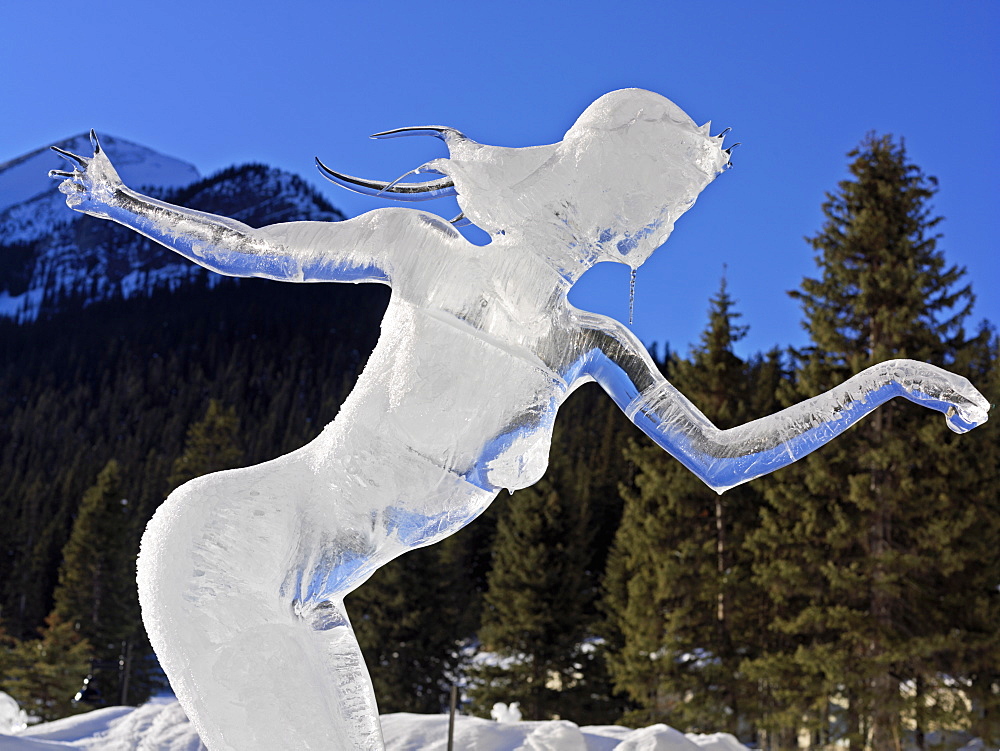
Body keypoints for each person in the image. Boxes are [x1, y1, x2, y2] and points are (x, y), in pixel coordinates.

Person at [50, 89, 989, 751]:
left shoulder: (593, 344)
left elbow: (722, 458)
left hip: (306, 593)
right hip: (227, 550)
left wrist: (888, 379)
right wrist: (119, 202)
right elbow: (256, 250)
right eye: (661, 207)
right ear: (618, 196)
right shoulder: (417, 248)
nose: (659, 231)